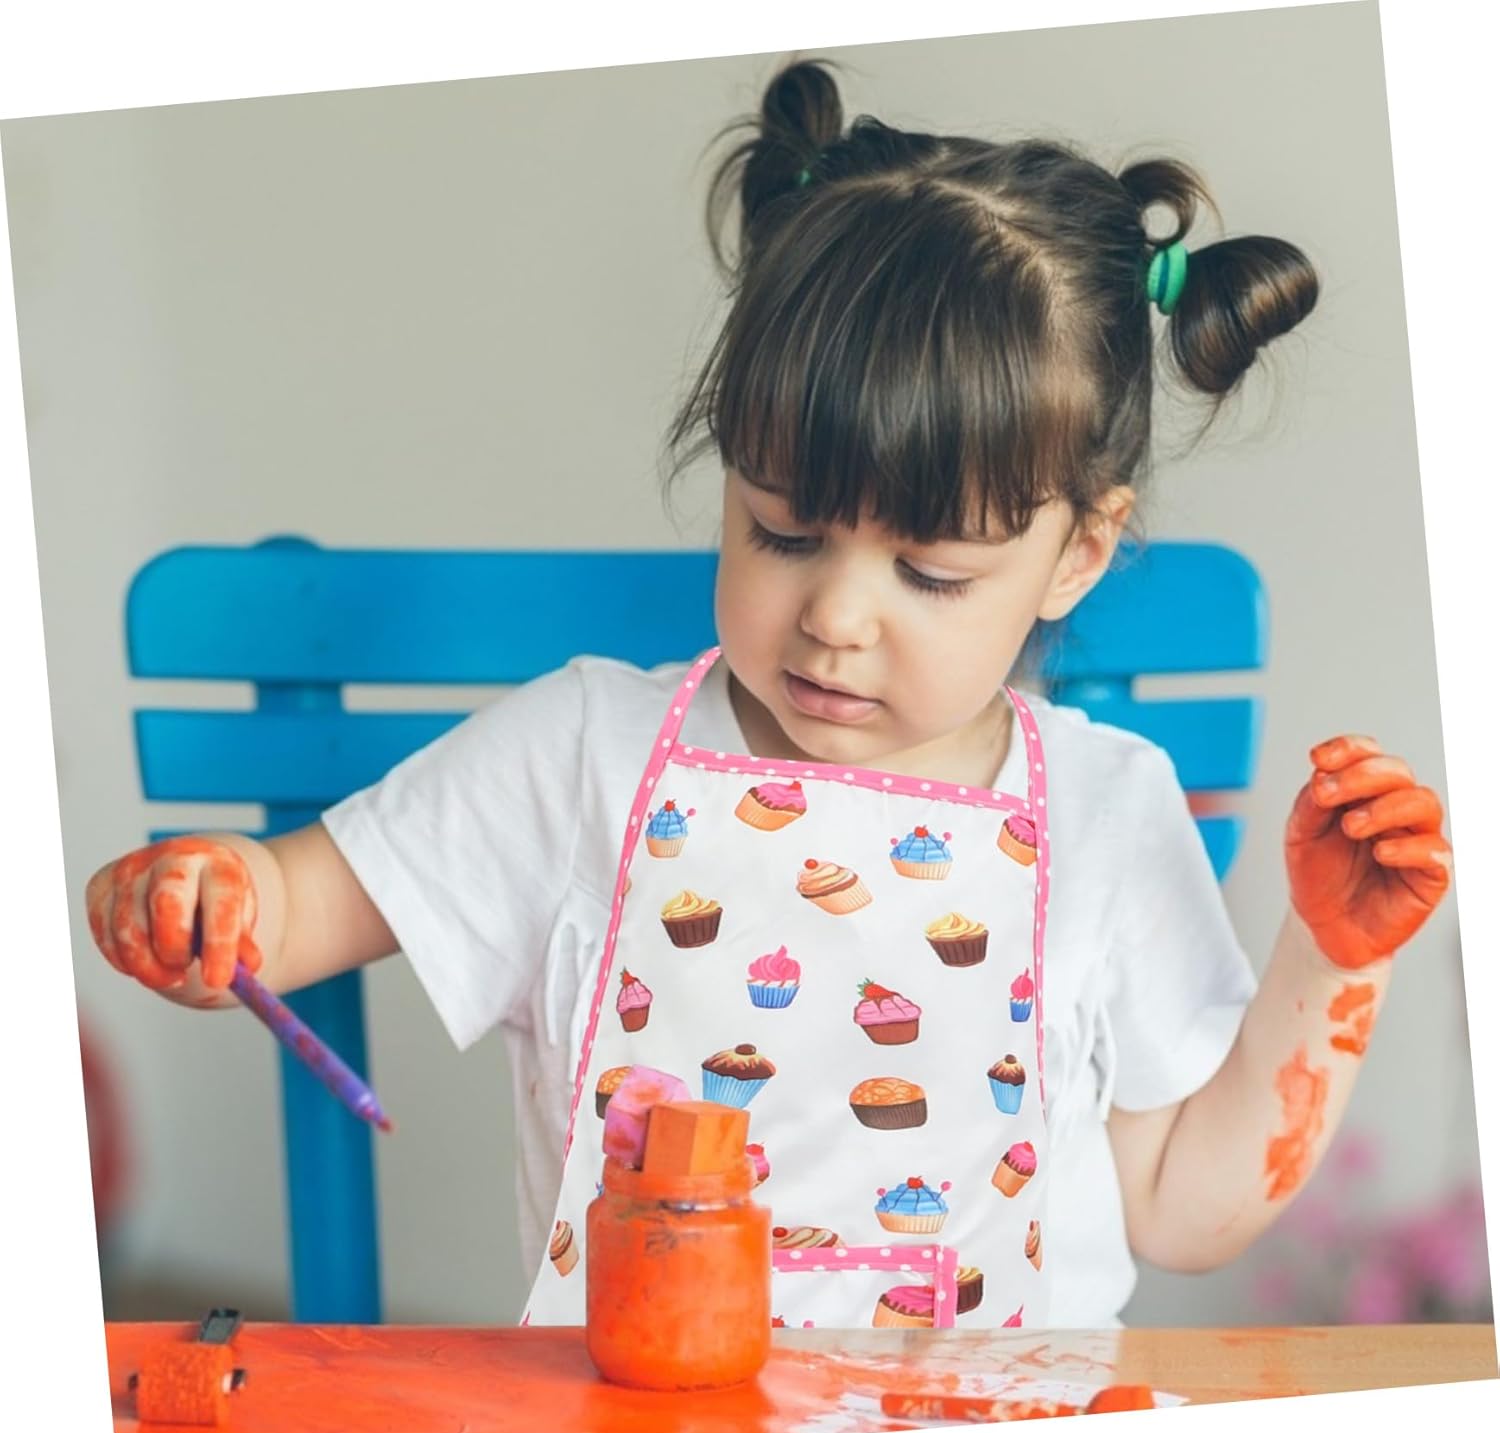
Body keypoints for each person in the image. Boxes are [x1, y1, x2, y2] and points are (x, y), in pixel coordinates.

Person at [84, 60, 1451, 1328]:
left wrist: (1334, 965)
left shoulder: (1107, 809)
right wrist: (212, 900)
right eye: (783, 532)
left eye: (930, 572)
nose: (836, 619)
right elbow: (302, 906)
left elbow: (1183, 1207)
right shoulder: (584, 755)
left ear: (1078, 555)